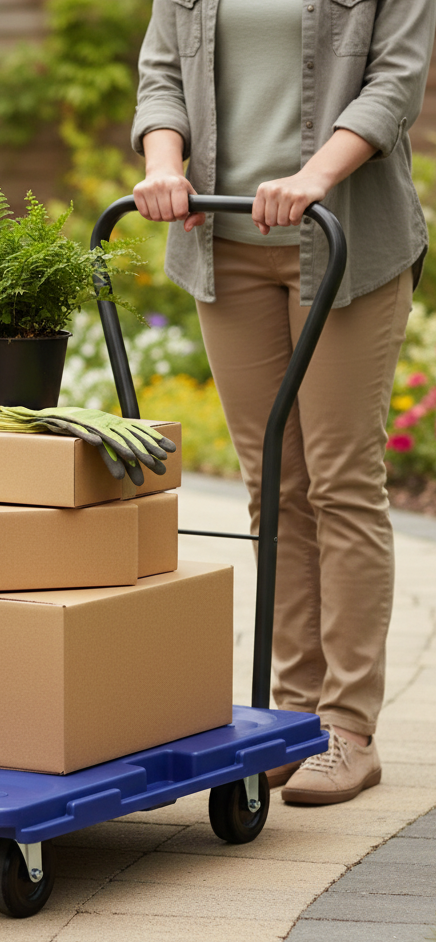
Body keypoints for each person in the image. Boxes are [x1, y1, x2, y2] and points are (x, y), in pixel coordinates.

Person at [130, 0, 436, 805]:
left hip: (343, 241)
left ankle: (350, 729)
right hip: (222, 243)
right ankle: (292, 717)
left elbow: (394, 85)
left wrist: (312, 178)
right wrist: (167, 164)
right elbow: (162, 75)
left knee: (340, 480)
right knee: (275, 485)